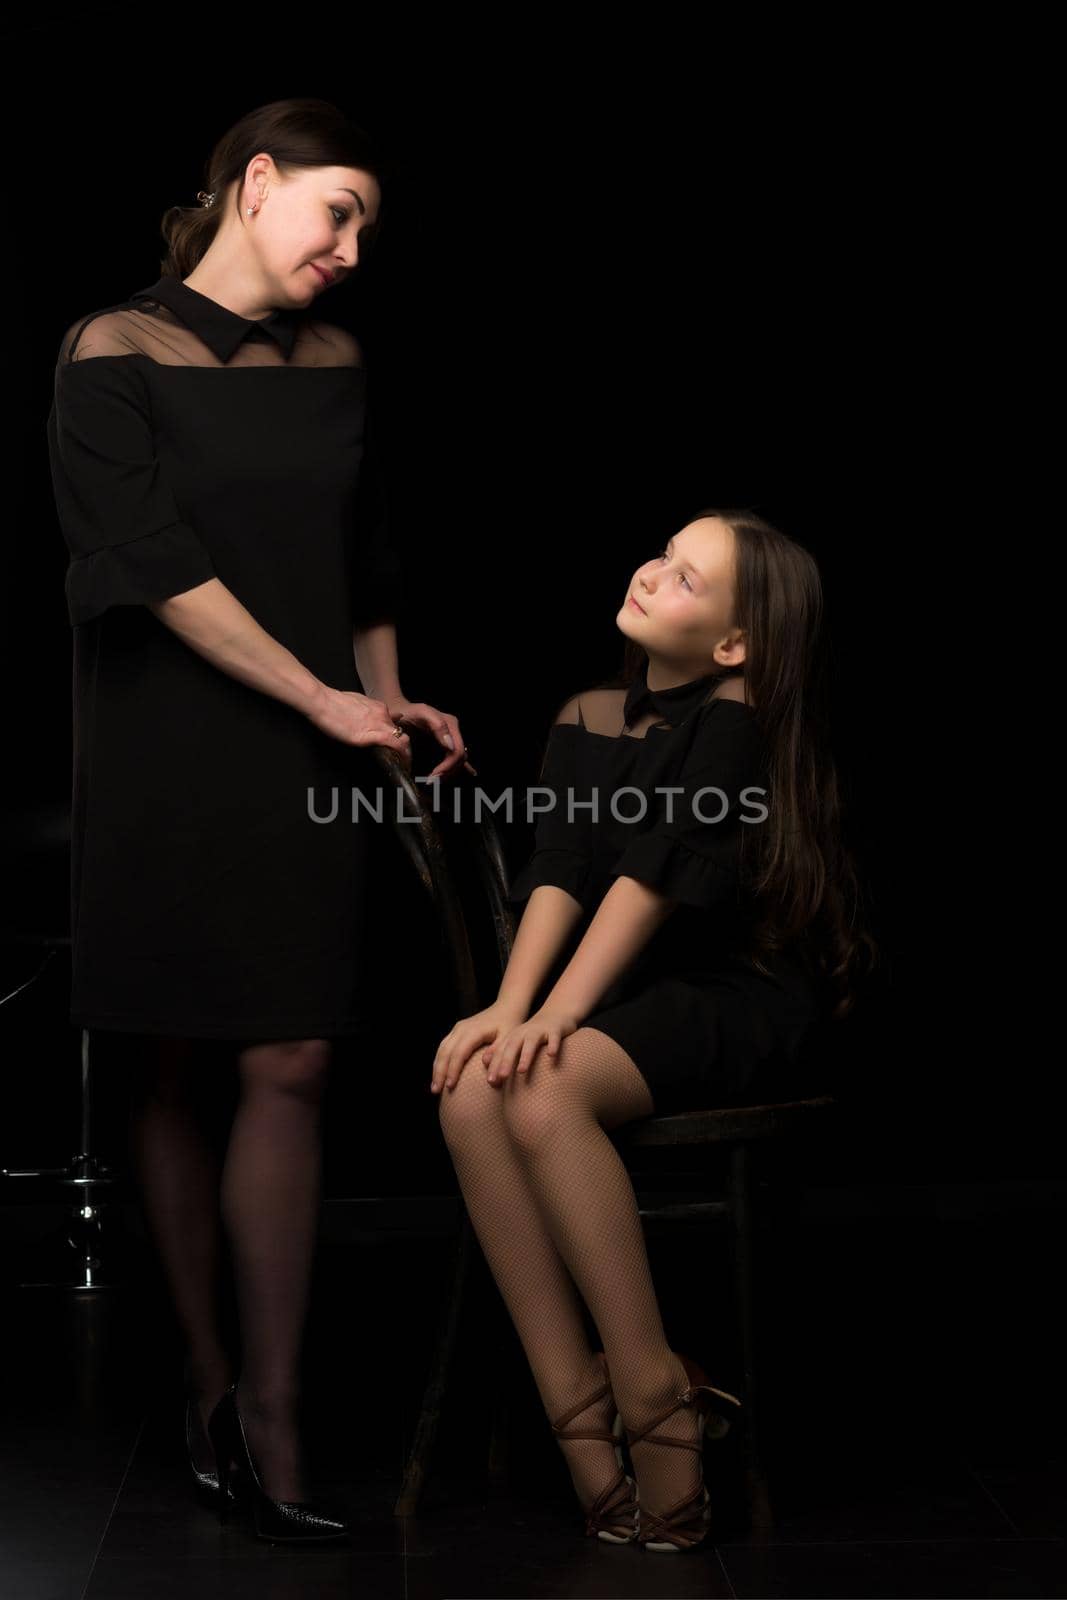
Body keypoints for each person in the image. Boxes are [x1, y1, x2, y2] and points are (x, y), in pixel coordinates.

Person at [45, 98, 471, 1544]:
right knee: (169, 1059)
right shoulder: (113, 351)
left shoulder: (338, 361)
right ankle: (208, 1381)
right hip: (175, 743)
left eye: (368, 228)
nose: (352, 250)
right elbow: (148, 564)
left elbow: (367, 558)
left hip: (314, 738)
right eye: (335, 212)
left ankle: (276, 1408)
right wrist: (324, 702)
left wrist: (392, 710)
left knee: (288, 1057)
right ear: (256, 183)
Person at [431, 508, 878, 1553]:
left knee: (539, 1083)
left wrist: (558, 1015)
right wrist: (510, 1004)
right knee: (470, 1084)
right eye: (661, 554)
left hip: (740, 990)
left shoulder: (735, 713)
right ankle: (574, 1407)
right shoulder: (587, 712)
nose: (650, 572)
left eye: (684, 577)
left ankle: (652, 1397)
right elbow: (560, 869)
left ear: (730, 642)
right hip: (637, 992)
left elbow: (648, 878)